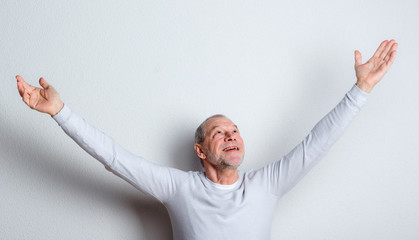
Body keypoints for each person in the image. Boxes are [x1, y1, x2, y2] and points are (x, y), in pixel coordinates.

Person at [16, 40, 398, 240]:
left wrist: (360, 89)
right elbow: (114, 157)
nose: (232, 135)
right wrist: (60, 112)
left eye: (234, 131)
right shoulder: (178, 188)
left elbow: (317, 143)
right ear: (201, 151)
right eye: (220, 132)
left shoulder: (266, 186)